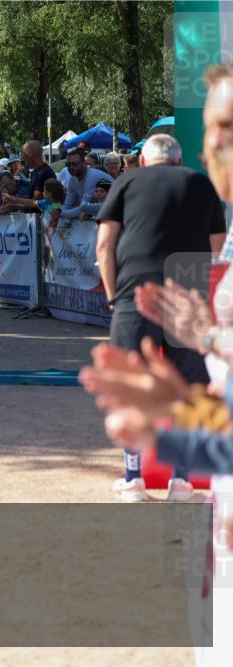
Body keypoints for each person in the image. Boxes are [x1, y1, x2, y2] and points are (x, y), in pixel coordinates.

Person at [95, 134, 226, 501]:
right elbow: (217, 250)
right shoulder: (201, 184)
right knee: (189, 389)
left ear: (146, 160)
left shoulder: (126, 181)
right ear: (179, 159)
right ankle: (181, 481)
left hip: (135, 292)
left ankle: (134, 478)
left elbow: (104, 245)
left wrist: (111, 295)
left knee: (131, 382)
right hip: (187, 297)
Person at [2, 140, 56, 212]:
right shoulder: (35, 172)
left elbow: (36, 202)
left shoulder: (45, 173)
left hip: (41, 219)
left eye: (23, 153)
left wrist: (14, 203)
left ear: (30, 154)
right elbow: (32, 198)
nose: (22, 157)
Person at [62, 147, 113, 219]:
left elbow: (83, 207)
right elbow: (67, 205)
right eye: (68, 164)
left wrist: (60, 213)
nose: (71, 167)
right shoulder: (72, 180)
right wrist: (59, 211)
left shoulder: (91, 176)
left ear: (84, 164)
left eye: (75, 164)